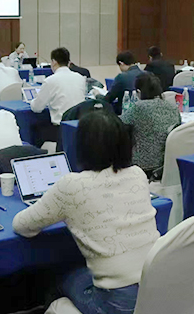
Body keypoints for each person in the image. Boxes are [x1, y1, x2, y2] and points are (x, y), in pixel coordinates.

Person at [13, 110, 160, 314]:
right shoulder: (137, 174)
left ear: (82, 146)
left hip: (117, 302)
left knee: (55, 280)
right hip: (156, 285)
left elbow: (22, 226)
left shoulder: (72, 185)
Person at [120, 72, 180, 178]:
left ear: (139, 92)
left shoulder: (139, 107)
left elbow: (118, 124)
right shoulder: (173, 107)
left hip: (143, 165)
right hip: (166, 163)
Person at [30, 47, 86, 146]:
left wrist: (31, 101)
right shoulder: (80, 78)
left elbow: (37, 108)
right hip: (79, 127)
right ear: (68, 62)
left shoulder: (50, 80)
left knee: (35, 127)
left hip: (60, 129)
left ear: (54, 62)